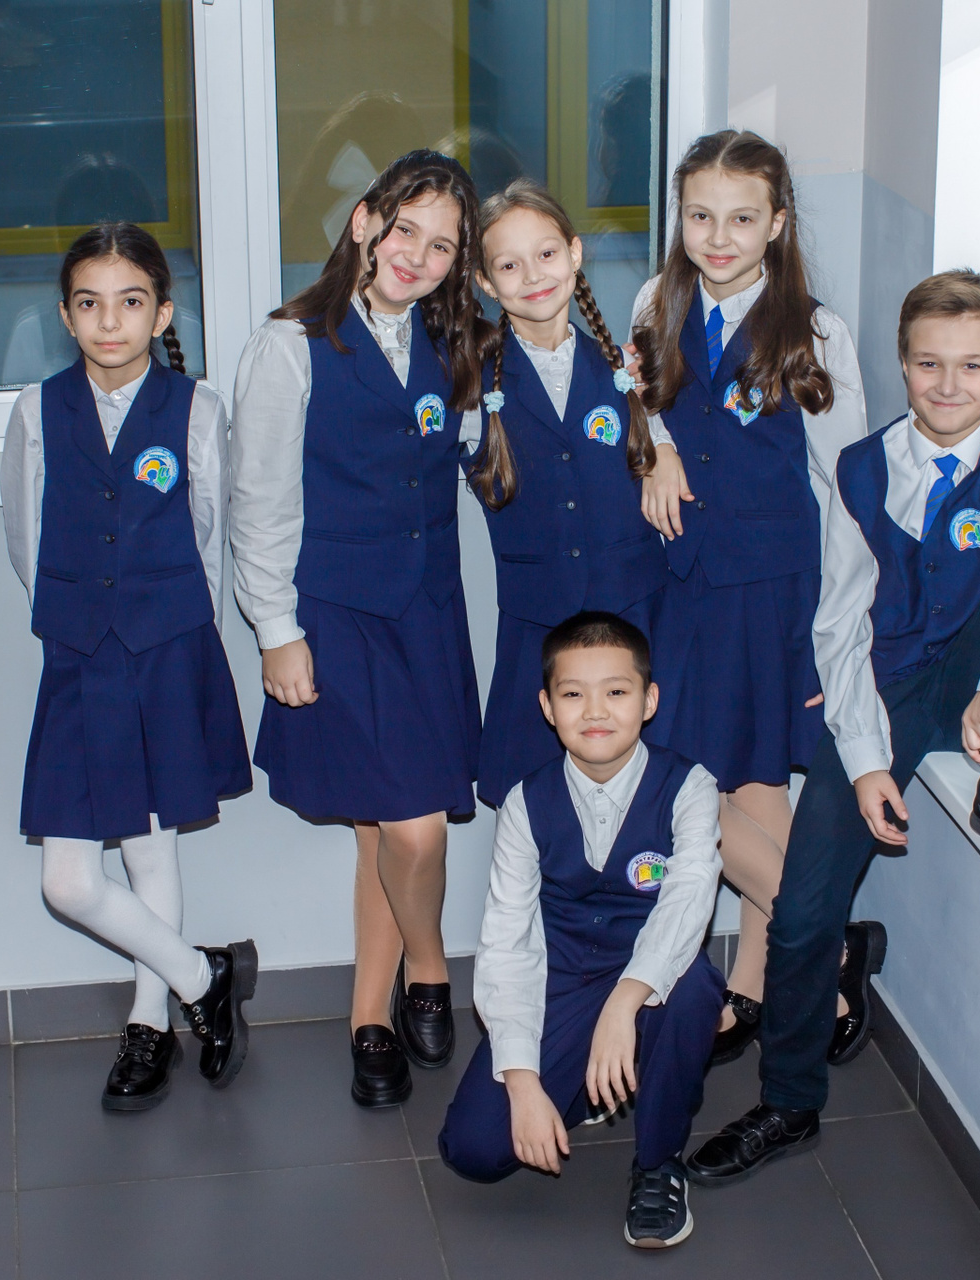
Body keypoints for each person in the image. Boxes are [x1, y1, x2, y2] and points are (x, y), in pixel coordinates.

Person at [687, 270, 980, 1184]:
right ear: (903, 364)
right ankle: (788, 1103)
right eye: (928, 364)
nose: (949, 385)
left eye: (972, 365)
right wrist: (867, 760)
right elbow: (840, 622)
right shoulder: (861, 466)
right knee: (804, 908)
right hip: (889, 683)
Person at [228, 150, 487, 1108]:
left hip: (428, 613)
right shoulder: (290, 344)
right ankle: (430, 966)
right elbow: (259, 504)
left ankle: (368, 1014)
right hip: (336, 615)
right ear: (364, 222)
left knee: (391, 826)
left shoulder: (455, 349)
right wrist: (276, 630)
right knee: (410, 827)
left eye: (442, 246)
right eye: (405, 229)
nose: (417, 255)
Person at [627, 129, 882, 1069]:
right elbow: (638, 398)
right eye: (700, 216)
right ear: (680, 218)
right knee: (691, 781)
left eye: (742, 219)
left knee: (749, 786)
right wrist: (658, 451)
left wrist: (835, 626)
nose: (719, 237)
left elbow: (847, 490)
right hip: (674, 583)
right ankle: (820, 951)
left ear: (777, 223)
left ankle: (773, 971)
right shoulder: (656, 302)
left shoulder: (817, 333)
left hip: (768, 592)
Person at [0, 222, 256, 1113]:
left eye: (131, 302)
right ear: (66, 316)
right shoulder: (36, 412)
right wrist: (84, 613)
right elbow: (27, 540)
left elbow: (212, 535)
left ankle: (150, 1023)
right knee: (69, 880)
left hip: (167, 650)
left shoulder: (198, 408)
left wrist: (176, 630)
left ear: (163, 313)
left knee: (151, 847)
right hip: (79, 656)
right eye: (90, 303)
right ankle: (202, 978)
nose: (110, 322)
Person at [438, 612, 725, 1250]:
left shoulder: (690, 787)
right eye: (573, 693)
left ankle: (659, 1164)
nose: (595, 711)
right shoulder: (525, 802)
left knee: (694, 989)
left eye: (616, 691)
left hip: (649, 971)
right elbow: (507, 942)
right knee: (475, 1150)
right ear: (548, 707)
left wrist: (626, 1001)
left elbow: (687, 902)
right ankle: (587, 1085)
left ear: (649, 700)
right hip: (560, 977)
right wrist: (523, 1083)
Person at [463, 178, 667, 808]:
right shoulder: (468, 385)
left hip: (635, 619)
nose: (533, 275)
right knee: (539, 814)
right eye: (509, 265)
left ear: (575, 254)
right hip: (538, 634)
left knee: (650, 806)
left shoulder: (629, 370)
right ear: (485, 282)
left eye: (547, 254)